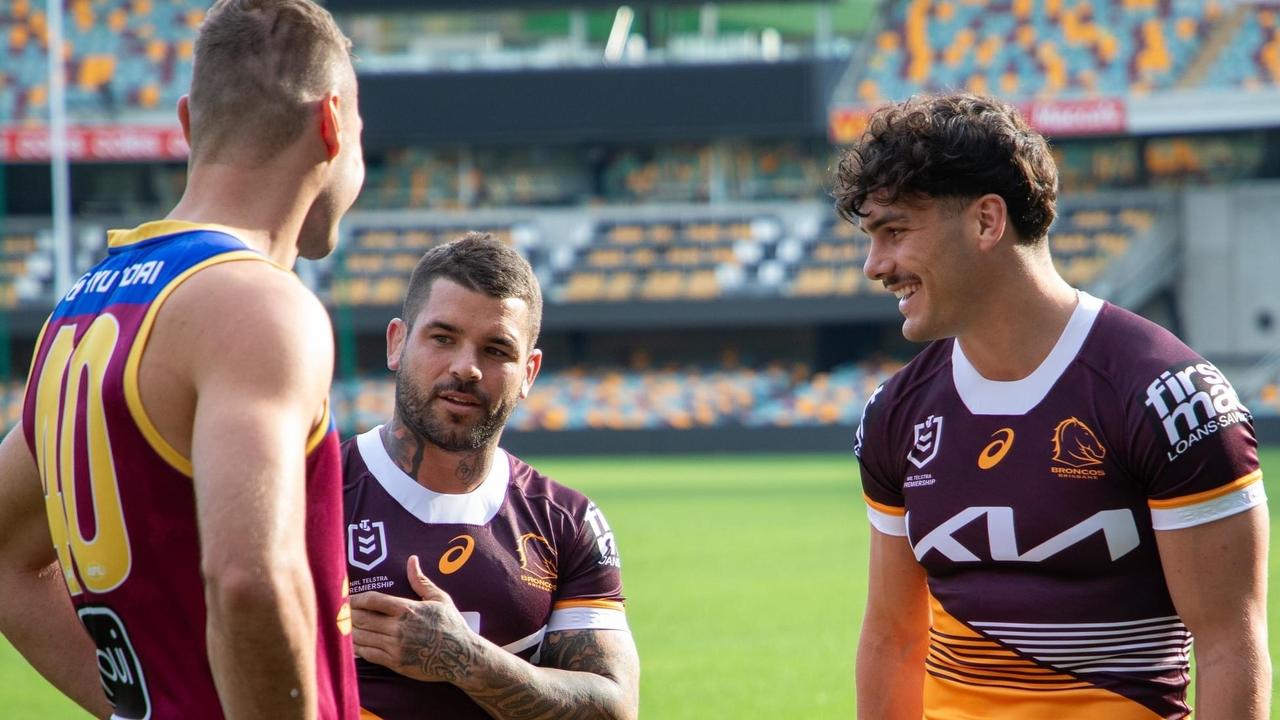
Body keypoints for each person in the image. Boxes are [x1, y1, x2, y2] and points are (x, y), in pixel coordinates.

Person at [837, 93, 1268, 720]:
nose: (876, 266)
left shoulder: (1172, 397)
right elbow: (893, 636)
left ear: (987, 221)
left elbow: (1231, 645)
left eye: (895, 231)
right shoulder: (896, 411)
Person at [0, 1, 365, 717]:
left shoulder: (81, 307)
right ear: (330, 121)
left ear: (189, 123)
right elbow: (250, 577)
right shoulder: (258, 306)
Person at [345, 232, 640, 720]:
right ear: (397, 343)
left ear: (529, 372)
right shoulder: (313, 495)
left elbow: (614, 708)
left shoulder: (566, 521)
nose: (467, 368)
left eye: (497, 350)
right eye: (443, 338)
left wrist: (465, 659)